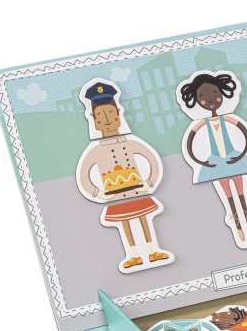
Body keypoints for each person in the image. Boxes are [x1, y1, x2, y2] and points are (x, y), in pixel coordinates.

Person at [75, 80, 174, 272]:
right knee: (126, 223)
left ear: (119, 115)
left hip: (138, 192)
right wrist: (97, 192)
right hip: (115, 197)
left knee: (144, 220)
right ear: (94, 120)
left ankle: (152, 250)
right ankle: (134, 254)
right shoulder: (96, 150)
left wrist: (150, 181)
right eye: (101, 117)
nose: (107, 121)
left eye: (111, 114)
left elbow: (151, 158)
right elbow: (84, 174)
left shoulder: (130, 142)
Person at [178, 71, 247, 248]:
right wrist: (200, 162)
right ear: (196, 100)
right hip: (216, 163)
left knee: (242, 195)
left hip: (235, 159)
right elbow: (189, 144)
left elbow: (246, 135)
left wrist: (242, 154)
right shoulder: (201, 123)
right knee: (230, 198)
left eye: (215, 93)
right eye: (202, 97)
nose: (210, 99)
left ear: (222, 93)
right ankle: (238, 226)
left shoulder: (229, 119)